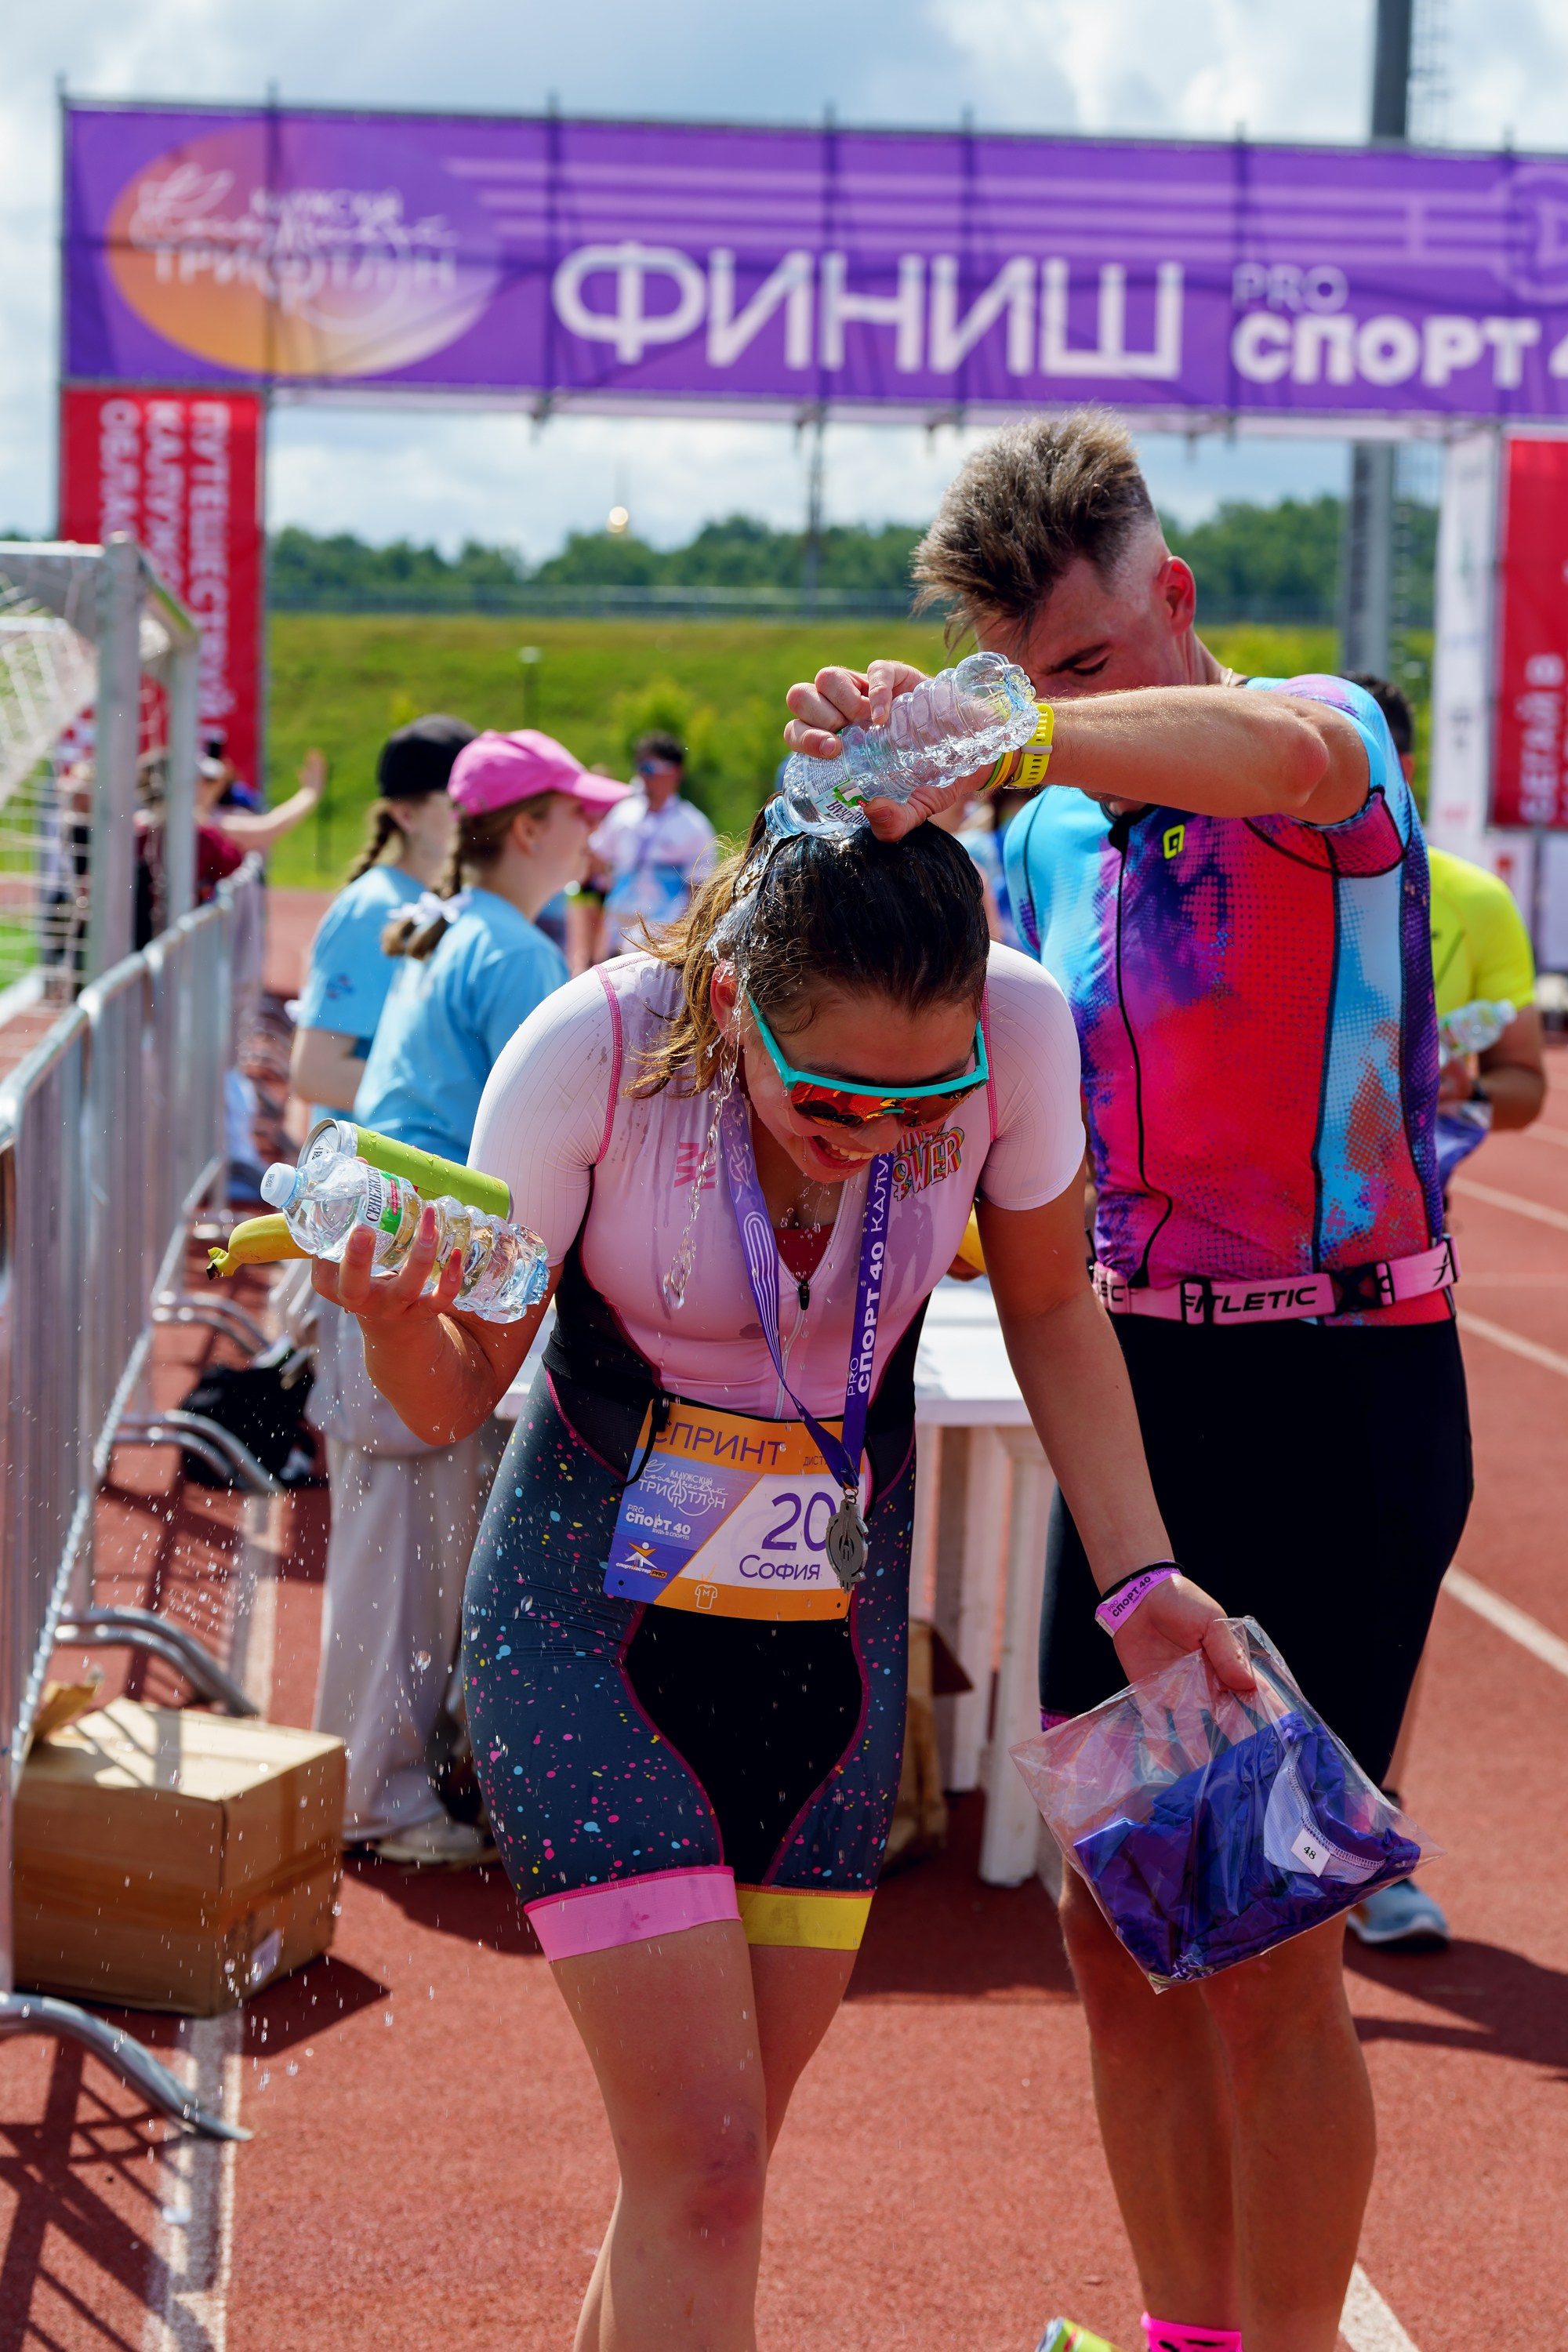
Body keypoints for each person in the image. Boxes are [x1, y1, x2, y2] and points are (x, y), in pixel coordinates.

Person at [310, 804, 1250, 2351]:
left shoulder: (1020, 1028)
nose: (878, 1136)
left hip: (831, 1658)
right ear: (736, 998)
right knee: (710, 2174)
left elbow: (1054, 1316)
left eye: (922, 1104)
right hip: (586, 1632)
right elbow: (447, 1395)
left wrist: (1139, 1582)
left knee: (700, 2184)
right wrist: (399, 1318)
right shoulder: (592, 1046)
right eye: (829, 1101)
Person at [785, 410, 1472, 2352]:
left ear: (1171, 599)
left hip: (1336, 1387)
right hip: (1134, 1395)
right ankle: (1183, 2334)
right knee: (1111, 1927)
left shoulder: (1320, 741)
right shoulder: (1050, 828)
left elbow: (1271, 752)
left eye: (1084, 668)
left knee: (1267, 1948)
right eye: (1026, 686)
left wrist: (1001, 730)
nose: (1064, 716)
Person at [308, 729, 623, 1866]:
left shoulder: (460, 928)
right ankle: (375, 1799)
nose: (596, 832)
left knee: (408, 1533)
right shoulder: (517, 954)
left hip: (389, 1257)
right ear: (529, 830)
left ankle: (389, 1776)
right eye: (579, 814)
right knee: (407, 1539)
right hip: (409, 1271)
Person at [1339, 675, 1545, 1951]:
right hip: (1205, 1282)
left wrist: (1465, 1083)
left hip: (1395, 1280)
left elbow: (1523, 1080)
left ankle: (1369, 1833)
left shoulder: (1466, 900)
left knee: (1380, 1578)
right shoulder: (1204, 879)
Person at [289, 714, 471, 1121]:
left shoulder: (444, 902)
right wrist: (460, 1099)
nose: (477, 816)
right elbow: (316, 1073)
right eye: (459, 802)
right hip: (375, 1174)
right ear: (407, 816)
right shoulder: (374, 910)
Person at [586, 727, 717, 956]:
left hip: (659, 943)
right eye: (639, 768)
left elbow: (699, 896)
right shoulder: (623, 814)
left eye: (650, 768)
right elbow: (593, 865)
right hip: (614, 935)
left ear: (675, 772)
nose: (643, 776)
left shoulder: (695, 827)